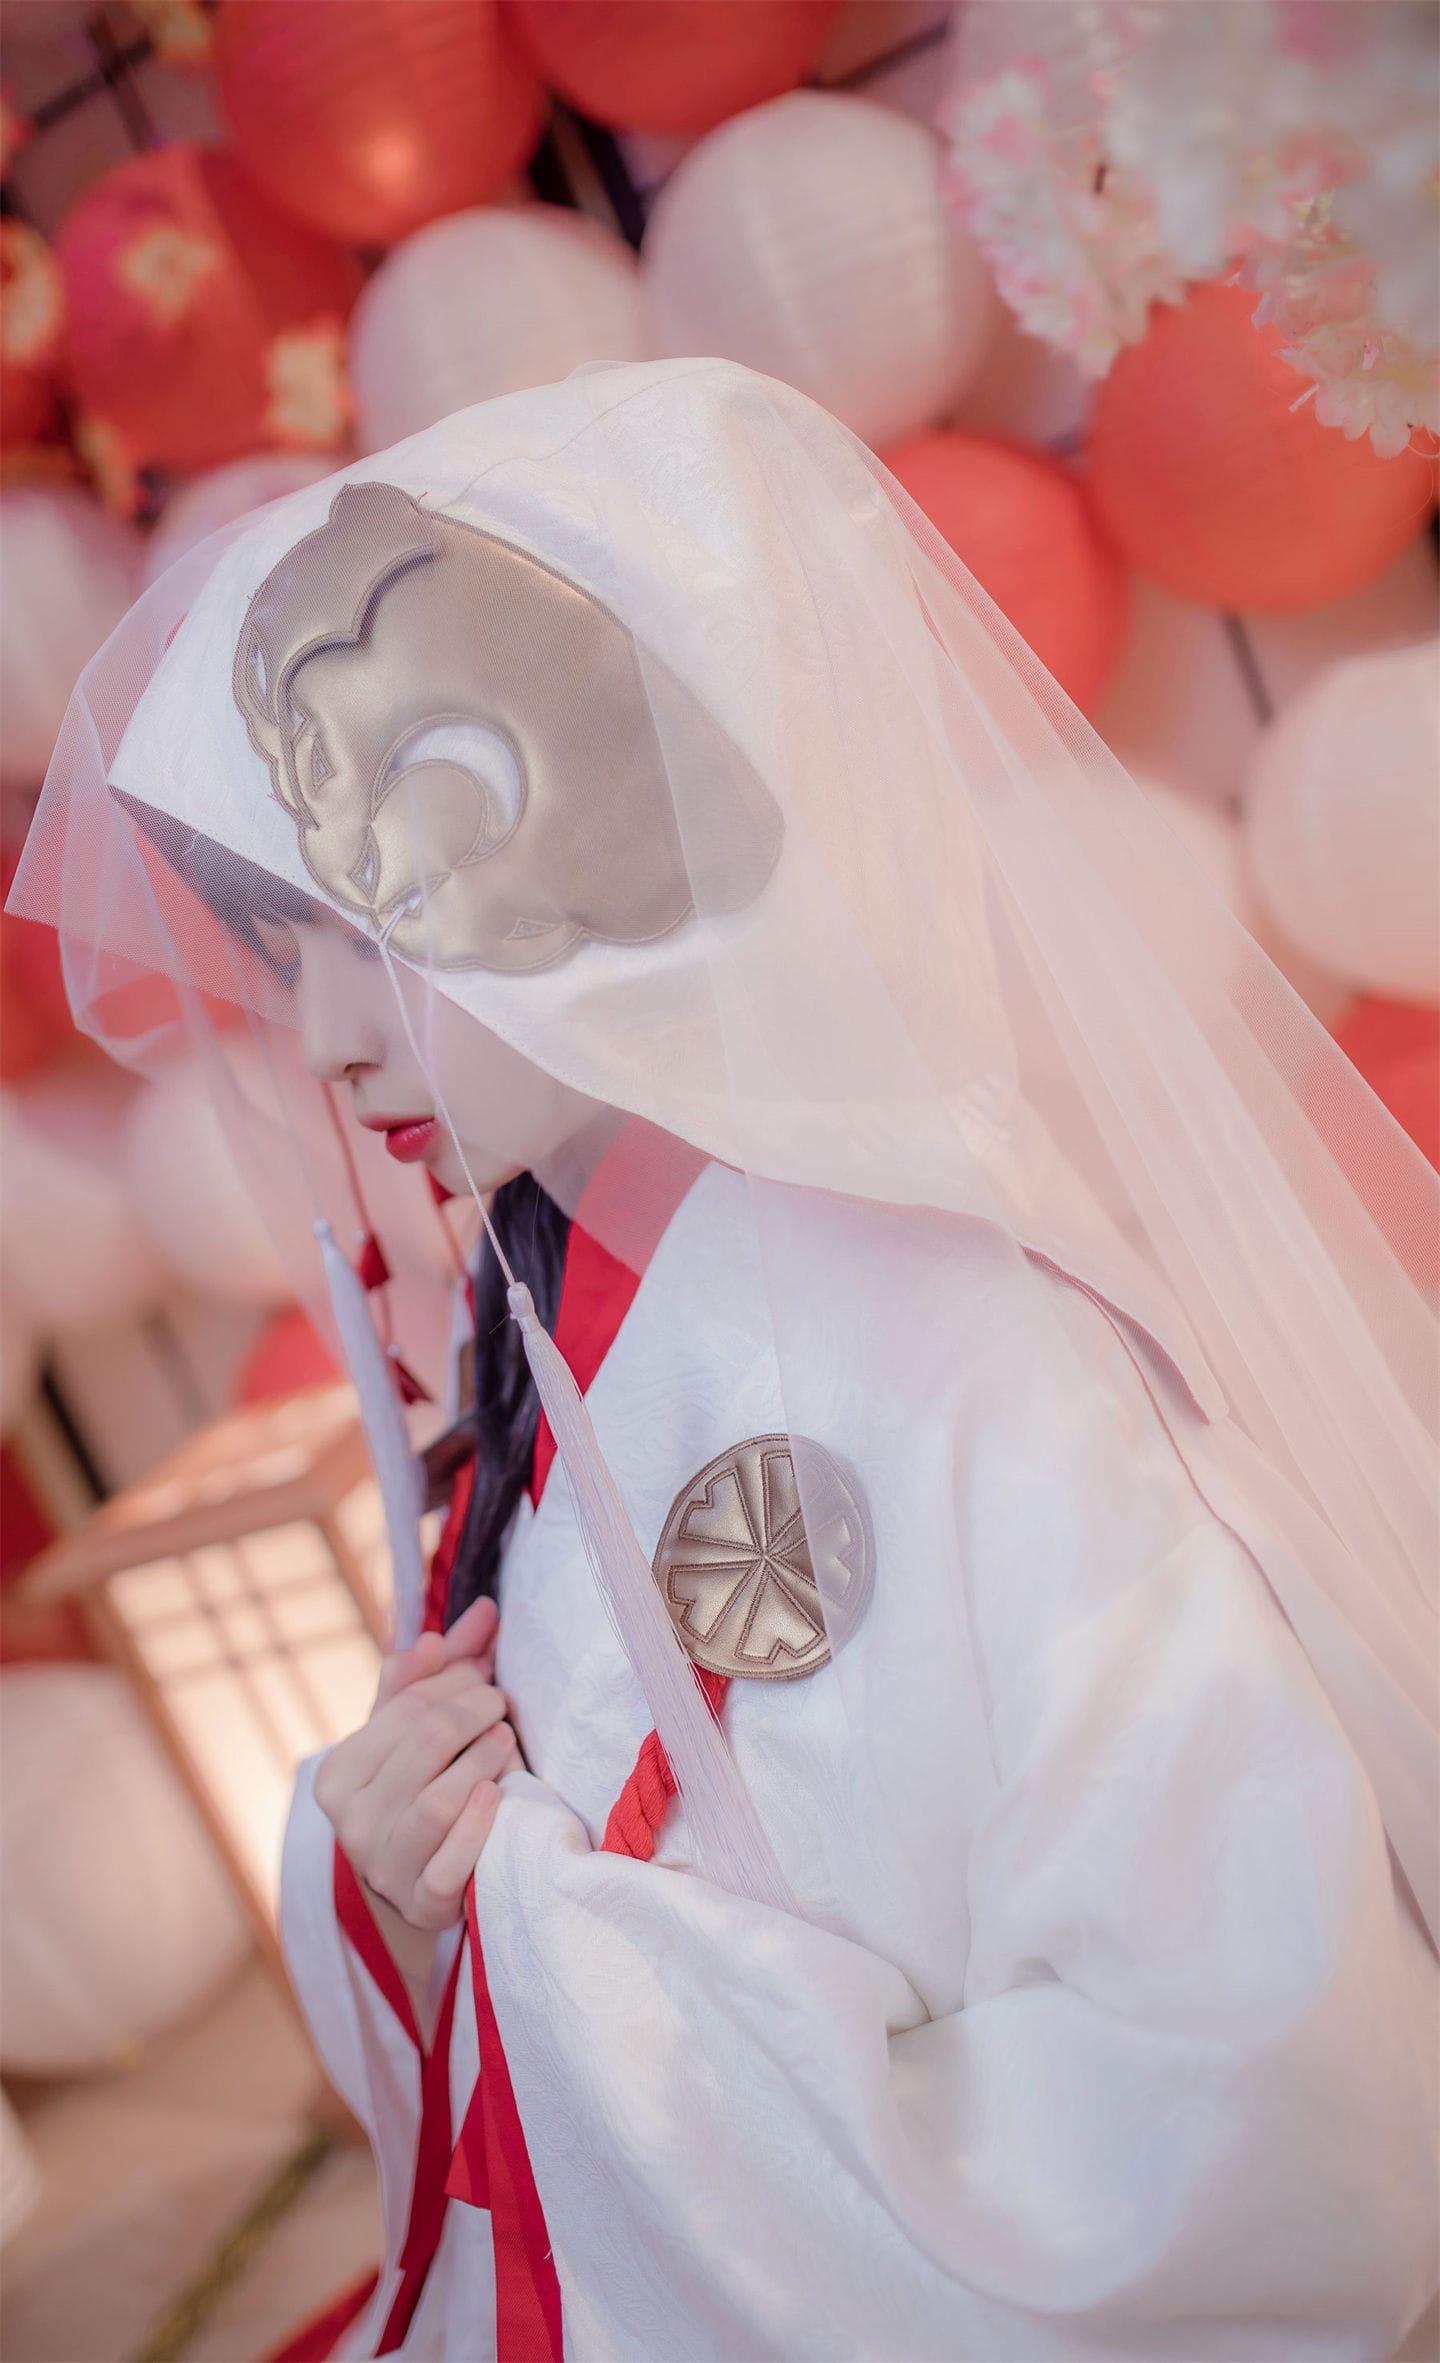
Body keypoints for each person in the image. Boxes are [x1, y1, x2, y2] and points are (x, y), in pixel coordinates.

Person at [10, 360, 1436, 2360]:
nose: (321, 1044)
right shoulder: (543, 1336)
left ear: (566, 834)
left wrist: (550, 1935)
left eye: (360, 930)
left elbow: (1277, 2116)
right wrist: (384, 1865)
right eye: (282, 961)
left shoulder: (986, 1361)